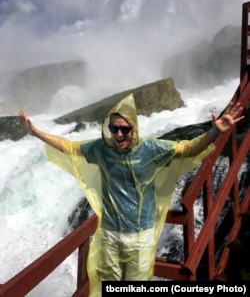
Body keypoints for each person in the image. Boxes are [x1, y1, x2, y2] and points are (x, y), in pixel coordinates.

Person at [19, 94, 244, 296]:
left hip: (141, 238)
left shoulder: (150, 149)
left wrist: (215, 131)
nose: (119, 134)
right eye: (114, 128)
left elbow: (187, 149)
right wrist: (36, 132)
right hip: (110, 235)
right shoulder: (101, 149)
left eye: (124, 129)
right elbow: (69, 147)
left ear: (134, 128)